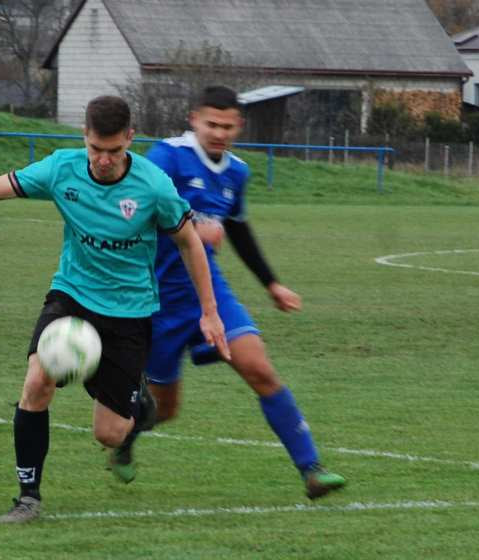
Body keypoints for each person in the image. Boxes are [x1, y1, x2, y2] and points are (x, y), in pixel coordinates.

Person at [0, 95, 230, 523]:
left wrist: (210, 312)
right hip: (72, 294)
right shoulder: (61, 168)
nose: (104, 160)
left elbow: (188, 242)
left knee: (109, 434)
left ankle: (138, 409)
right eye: (95, 150)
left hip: (129, 312)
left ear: (129, 138)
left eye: (114, 151)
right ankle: (28, 496)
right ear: (84, 137)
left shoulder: (153, 185)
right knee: (37, 381)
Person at [110, 86, 346, 500]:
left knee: (260, 369)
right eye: (211, 124)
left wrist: (271, 282)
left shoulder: (236, 172)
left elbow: (237, 228)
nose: (219, 132)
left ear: (239, 126)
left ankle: (312, 469)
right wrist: (187, 227)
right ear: (193, 119)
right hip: (157, 302)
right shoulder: (167, 157)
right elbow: (136, 207)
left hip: (209, 294)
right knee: (165, 409)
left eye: (227, 126)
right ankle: (127, 441)